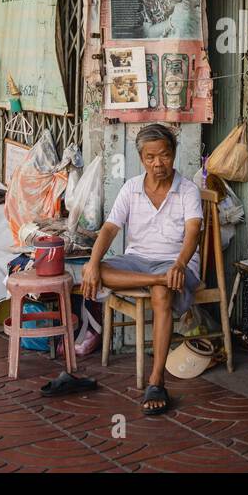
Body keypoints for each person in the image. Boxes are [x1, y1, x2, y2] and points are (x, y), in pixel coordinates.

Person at [79, 124, 202, 416]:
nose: (159, 163)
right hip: (138, 260)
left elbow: (193, 234)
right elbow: (109, 229)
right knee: (96, 270)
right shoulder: (131, 188)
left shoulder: (187, 189)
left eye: (165, 155)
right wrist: (93, 263)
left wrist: (179, 264)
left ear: (173, 154)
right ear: (141, 158)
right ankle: (156, 279)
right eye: (151, 157)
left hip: (175, 261)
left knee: (161, 294)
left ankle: (156, 380)